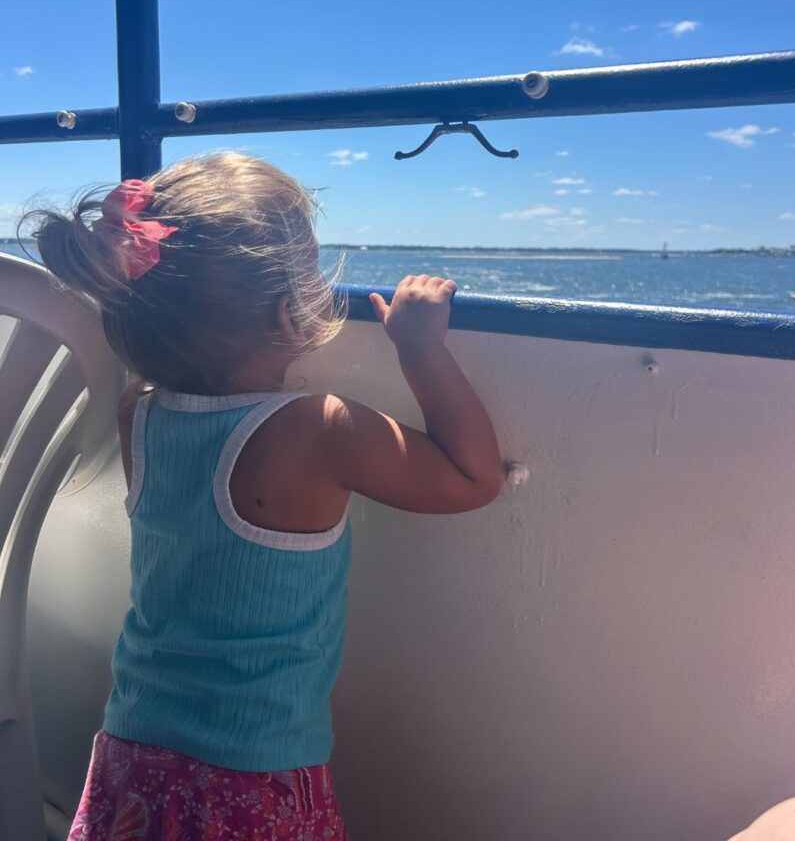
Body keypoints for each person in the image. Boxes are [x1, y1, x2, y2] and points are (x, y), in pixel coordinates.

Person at [30, 150, 502, 840]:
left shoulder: (141, 413)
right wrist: (417, 345)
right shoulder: (318, 429)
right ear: (289, 313)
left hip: (133, 746)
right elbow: (473, 479)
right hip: (251, 776)